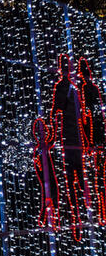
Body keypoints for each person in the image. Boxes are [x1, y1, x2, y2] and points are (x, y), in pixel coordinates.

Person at [48, 53, 89, 241]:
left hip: (77, 141)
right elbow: (56, 110)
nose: (68, 70)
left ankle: (84, 219)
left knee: (80, 181)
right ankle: (75, 221)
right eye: (66, 67)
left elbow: (80, 116)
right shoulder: (63, 87)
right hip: (66, 141)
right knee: (70, 183)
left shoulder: (74, 88)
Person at [78, 57, 106, 225]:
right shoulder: (94, 89)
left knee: (98, 177)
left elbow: (87, 115)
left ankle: (102, 212)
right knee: (99, 176)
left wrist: (88, 140)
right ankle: (102, 211)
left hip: (95, 139)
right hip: (99, 137)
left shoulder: (87, 89)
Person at [33, 117, 59, 230]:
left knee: (55, 196)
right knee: (47, 198)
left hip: (51, 175)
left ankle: (55, 220)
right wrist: (41, 175)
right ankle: (45, 219)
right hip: (45, 176)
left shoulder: (47, 146)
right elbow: (36, 164)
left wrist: (55, 124)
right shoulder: (38, 149)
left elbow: (53, 139)